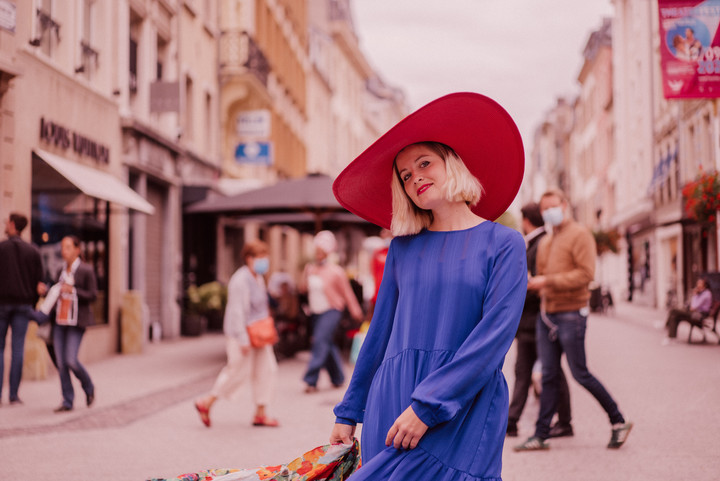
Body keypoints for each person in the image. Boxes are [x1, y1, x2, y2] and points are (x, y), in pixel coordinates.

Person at [329, 92, 527, 480]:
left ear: (451, 164)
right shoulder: (402, 249)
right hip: (394, 399)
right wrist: (349, 410)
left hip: (464, 401)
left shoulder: (505, 244)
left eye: (424, 163)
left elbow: (494, 337)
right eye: (405, 175)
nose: (415, 176)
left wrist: (429, 406)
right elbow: (379, 333)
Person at [516, 189, 633, 451]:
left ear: (565, 205)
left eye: (553, 207)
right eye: (544, 209)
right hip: (547, 315)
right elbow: (542, 276)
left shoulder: (580, 235)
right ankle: (541, 435)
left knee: (580, 373)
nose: (549, 212)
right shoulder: (546, 242)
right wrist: (532, 283)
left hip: (571, 314)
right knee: (548, 376)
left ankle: (618, 421)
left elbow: (585, 275)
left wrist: (546, 281)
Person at [194, 240, 279, 427]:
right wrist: (242, 339)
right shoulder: (240, 280)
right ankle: (206, 402)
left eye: (266, 258)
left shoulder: (258, 278)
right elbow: (236, 311)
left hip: (259, 334)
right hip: (241, 335)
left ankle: (261, 413)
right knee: (237, 372)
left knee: (267, 370)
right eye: (261, 258)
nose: (264, 262)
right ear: (249, 259)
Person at [507, 203, 572, 438]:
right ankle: (513, 420)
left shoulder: (541, 243)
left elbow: (535, 280)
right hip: (533, 321)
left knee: (546, 370)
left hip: (535, 319)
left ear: (526, 221)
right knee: (536, 370)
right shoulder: (540, 241)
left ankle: (561, 421)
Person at [301, 230, 363, 393]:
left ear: (328, 252)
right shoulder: (310, 269)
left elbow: (347, 293)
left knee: (320, 341)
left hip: (332, 310)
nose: (318, 254)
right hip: (315, 312)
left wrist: (355, 310)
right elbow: (303, 289)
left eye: (322, 251)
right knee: (326, 343)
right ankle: (338, 378)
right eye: (317, 251)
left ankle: (311, 380)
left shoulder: (335, 271)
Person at [0, 213, 44, 405]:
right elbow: (39, 284)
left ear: (12, 225)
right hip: (23, 306)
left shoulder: (1, 248)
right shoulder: (33, 251)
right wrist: (31, 303)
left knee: (0, 349)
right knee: (18, 349)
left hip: (1, 305)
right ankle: (14, 395)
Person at [51, 235, 97, 412]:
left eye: (68, 247)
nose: (64, 251)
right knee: (61, 363)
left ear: (77, 250)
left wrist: (74, 291)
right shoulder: (59, 270)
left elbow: (93, 295)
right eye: (63, 247)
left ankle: (88, 386)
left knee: (71, 360)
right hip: (59, 321)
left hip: (76, 321)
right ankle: (67, 400)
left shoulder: (86, 270)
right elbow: (56, 292)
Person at [663, 278, 713, 345]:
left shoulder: (706, 294)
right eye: (697, 283)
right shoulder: (701, 293)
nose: (698, 285)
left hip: (699, 315)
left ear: (705, 285)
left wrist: (695, 295)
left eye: (700, 283)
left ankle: (667, 327)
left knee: (674, 311)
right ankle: (671, 337)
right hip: (694, 313)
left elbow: (693, 307)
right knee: (674, 316)